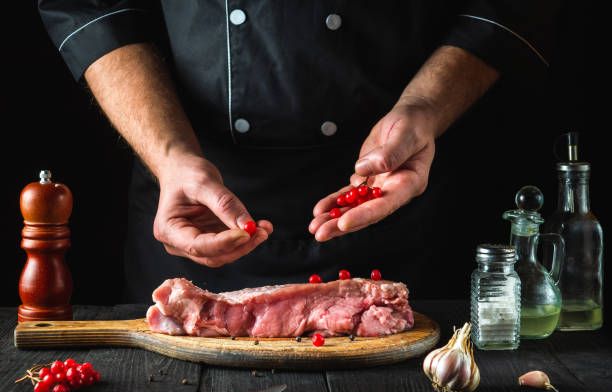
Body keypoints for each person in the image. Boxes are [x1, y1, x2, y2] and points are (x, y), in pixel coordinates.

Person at [38, 1, 559, 302]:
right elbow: (91, 4)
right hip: (194, 197)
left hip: (390, 194)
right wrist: (169, 154)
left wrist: (423, 108)